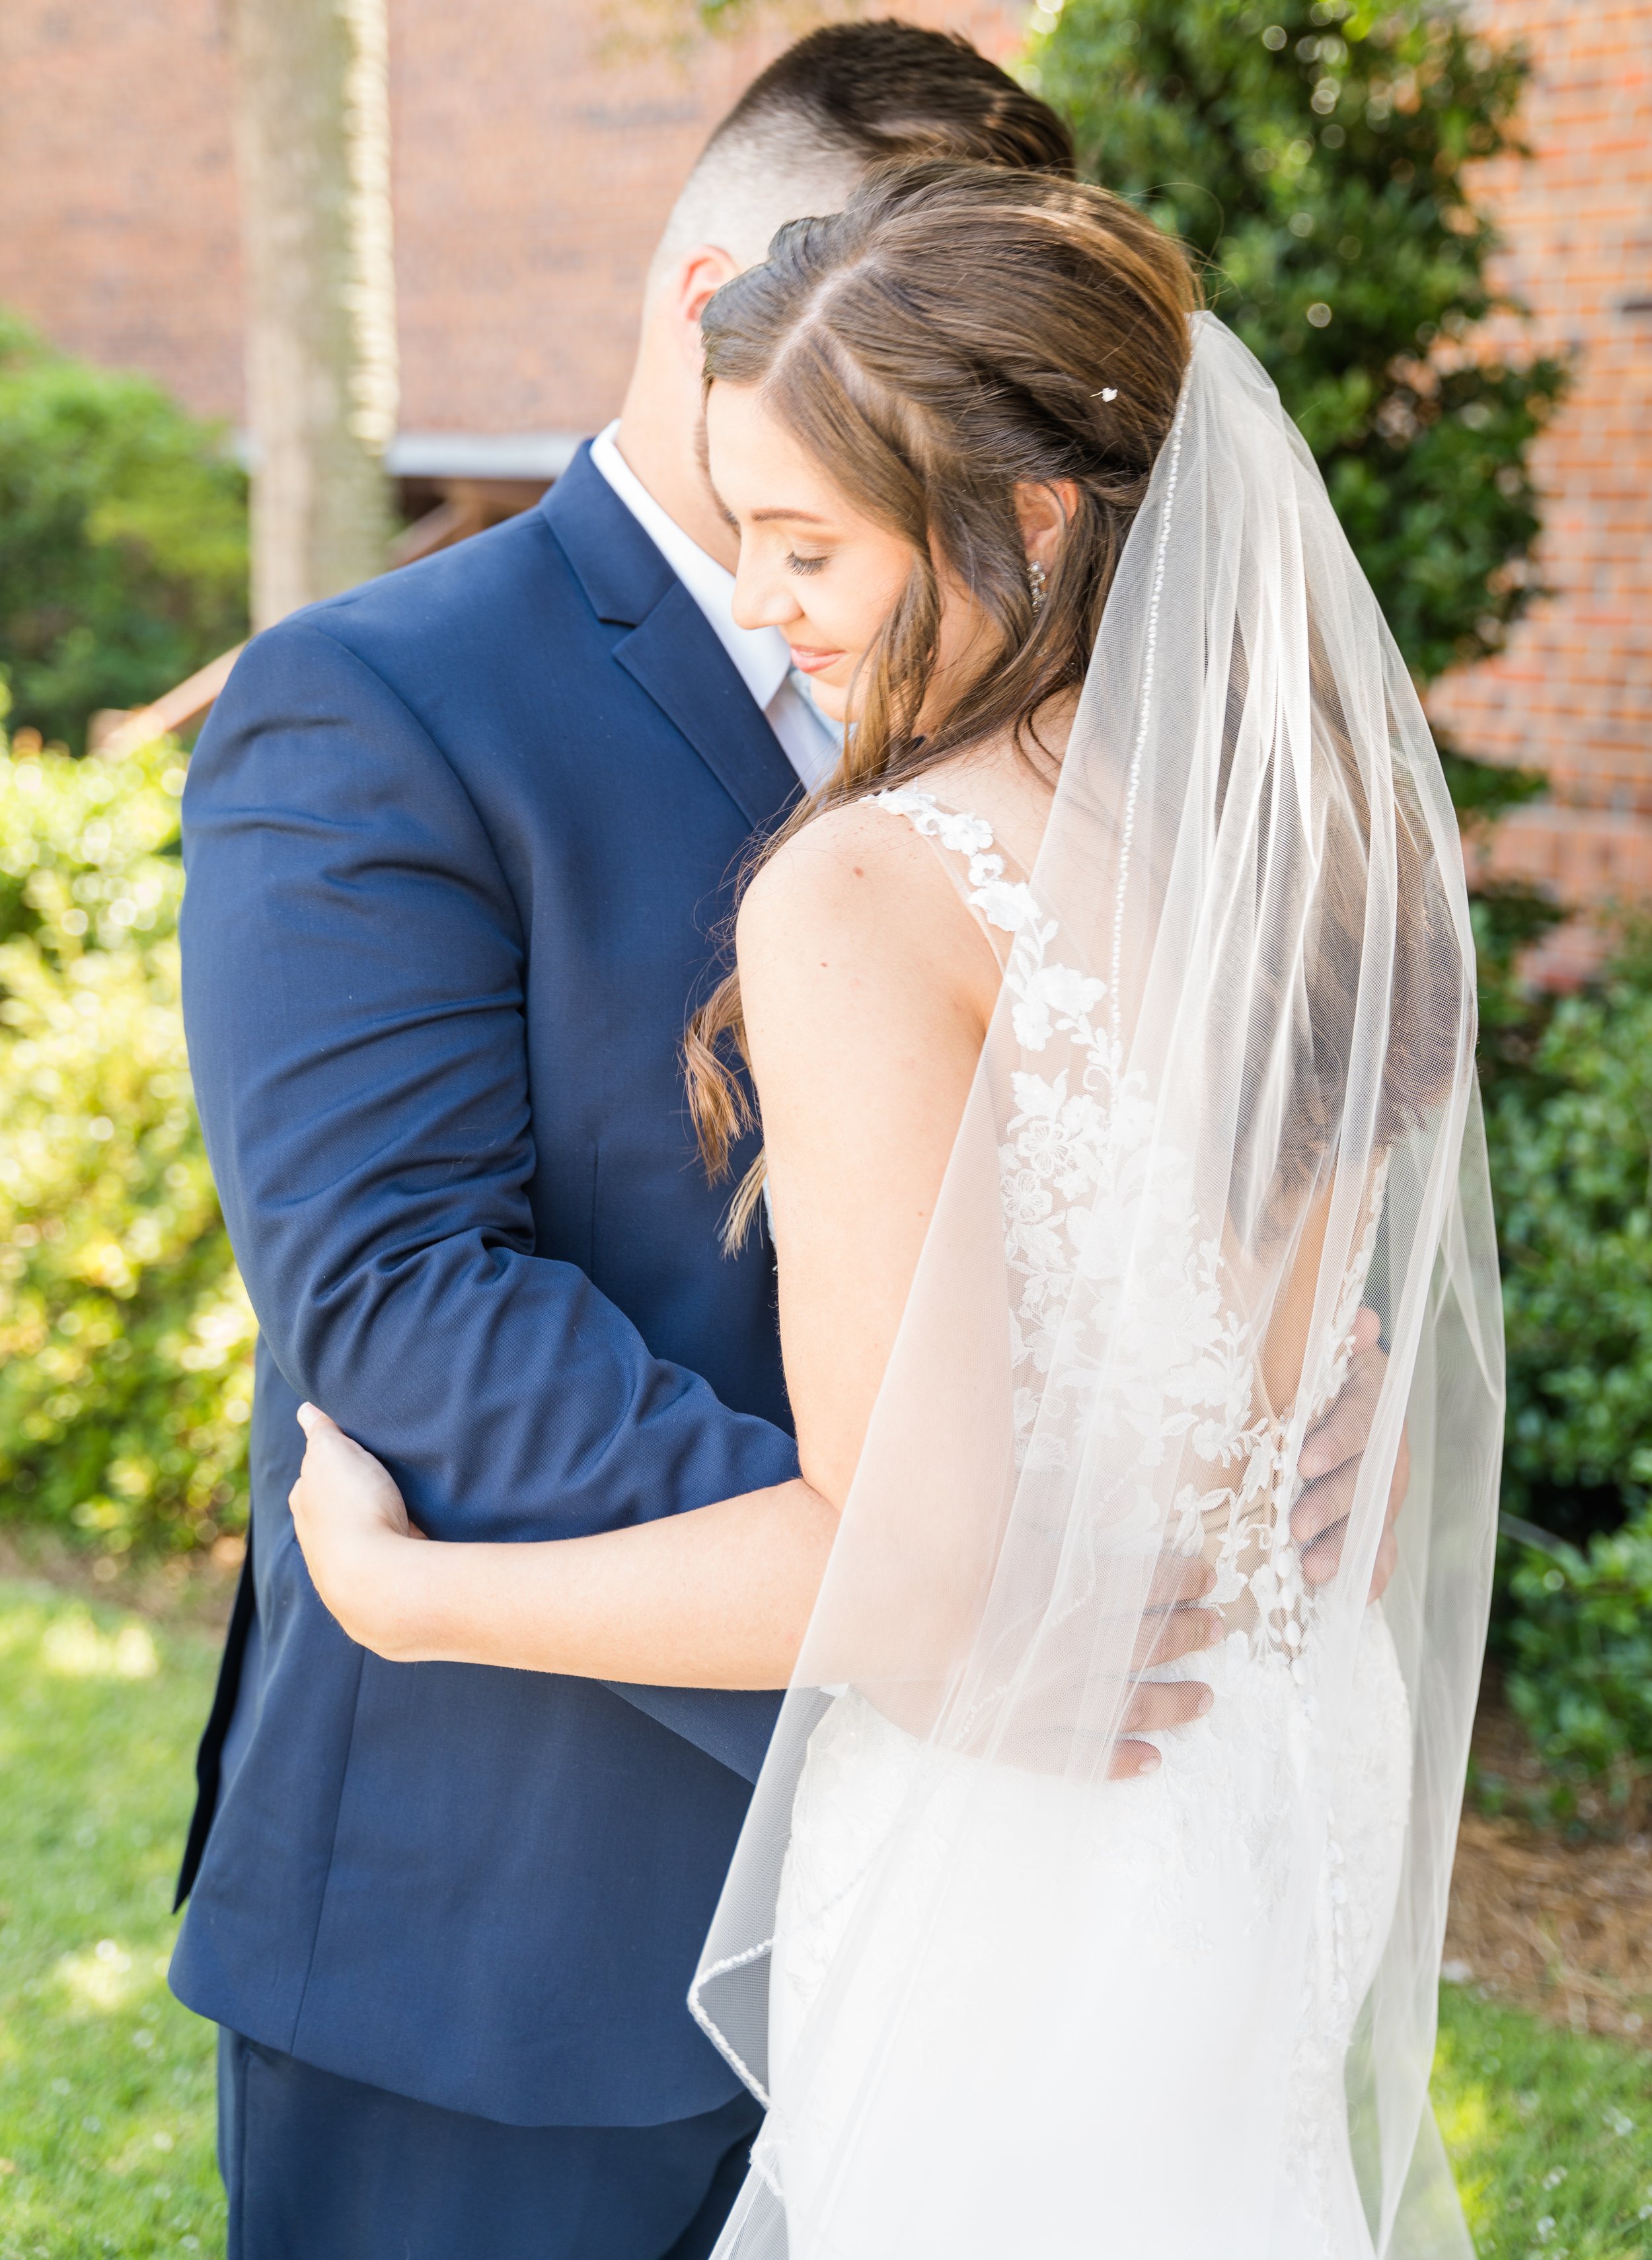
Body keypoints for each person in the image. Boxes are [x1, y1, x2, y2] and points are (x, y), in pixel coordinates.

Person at [291, 165, 1499, 2257]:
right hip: (1280, 1758)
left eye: (805, 541)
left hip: (1052, 1817)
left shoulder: (869, 891)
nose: (761, 597)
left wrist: (413, 1599)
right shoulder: (1322, 847)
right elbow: (1310, 1405)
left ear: (1028, 517)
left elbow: (906, 1579)